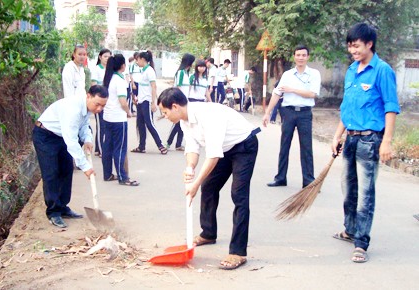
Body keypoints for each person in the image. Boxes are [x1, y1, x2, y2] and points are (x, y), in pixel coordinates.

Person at [158, 87, 260, 270]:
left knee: (239, 195)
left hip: (244, 146)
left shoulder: (209, 117)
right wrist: (190, 168)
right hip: (225, 149)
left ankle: (238, 252)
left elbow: (213, 155)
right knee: (209, 187)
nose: (164, 116)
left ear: (175, 106)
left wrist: (195, 184)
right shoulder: (184, 120)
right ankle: (208, 233)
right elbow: (192, 148)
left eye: (165, 112)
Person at [331, 23, 400, 263]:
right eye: (350, 46)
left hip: (370, 140)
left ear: (369, 44)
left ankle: (361, 242)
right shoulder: (351, 70)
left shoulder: (382, 70)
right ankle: (350, 230)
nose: (353, 51)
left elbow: (391, 107)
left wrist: (386, 142)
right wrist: (337, 135)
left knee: (365, 194)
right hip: (350, 138)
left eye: (357, 46)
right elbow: (347, 107)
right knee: (347, 189)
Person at [32, 85, 108, 228]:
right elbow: (71, 141)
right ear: (88, 96)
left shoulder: (86, 108)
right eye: (97, 104)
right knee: (52, 173)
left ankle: (63, 207)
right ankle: (53, 212)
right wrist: (85, 166)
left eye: (103, 106)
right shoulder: (73, 110)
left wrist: (87, 139)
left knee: (66, 170)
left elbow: (84, 125)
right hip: (45, 136)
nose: (99, 109)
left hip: (61, 136)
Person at [262, 44, 321, 188]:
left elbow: (312, 94)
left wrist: (292, 90)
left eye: (303, 55)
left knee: (306, 147)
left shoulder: (314, 74)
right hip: (288, 112)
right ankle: (280, 178)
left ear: (308, 57)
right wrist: (267, 113)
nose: (300, 58)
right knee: (284, 145)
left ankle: (308, 181)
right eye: (298, 55)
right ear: (294, 56)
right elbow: (277, 93)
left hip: (305, 113)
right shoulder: (287, 75)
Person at [102, 54, 139, 186]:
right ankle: (123, 177)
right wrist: (128, 112)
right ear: (123, 66)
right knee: (120, 148)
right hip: (118, 118)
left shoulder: (108, 78)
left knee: (108, 147)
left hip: (107, 117)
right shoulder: (120, 81)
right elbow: (123, 102)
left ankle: (107, 174)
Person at [131, 50, 167, 154]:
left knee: (149, 124)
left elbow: (154, 87)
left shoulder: (150, 71)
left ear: (142, 59)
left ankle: (161, 145)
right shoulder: (143, 71)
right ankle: (141, 146)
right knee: (140, 124)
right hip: (141, 101)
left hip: (147, 101)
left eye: (137, 60)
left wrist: (153, 102)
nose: (137, 62)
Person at [166, 53, 195, 151]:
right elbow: (178, 87)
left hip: (185, 102)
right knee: (177, 124)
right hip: (179, 102)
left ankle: (178, 144)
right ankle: (168, 143)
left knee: (182, 124)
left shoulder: (187, 73)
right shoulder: (181, 73)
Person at [91, 48, 112, 157]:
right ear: (100, 57)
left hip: (107, 102)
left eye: (109, 56)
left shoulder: (110, 70)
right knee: (101, 125)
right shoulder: (96, 69)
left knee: (105, 125)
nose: (107, 59)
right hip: (98, 102)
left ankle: (98, 148)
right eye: (105, 56)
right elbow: (93, 86)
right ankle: (100, 149)